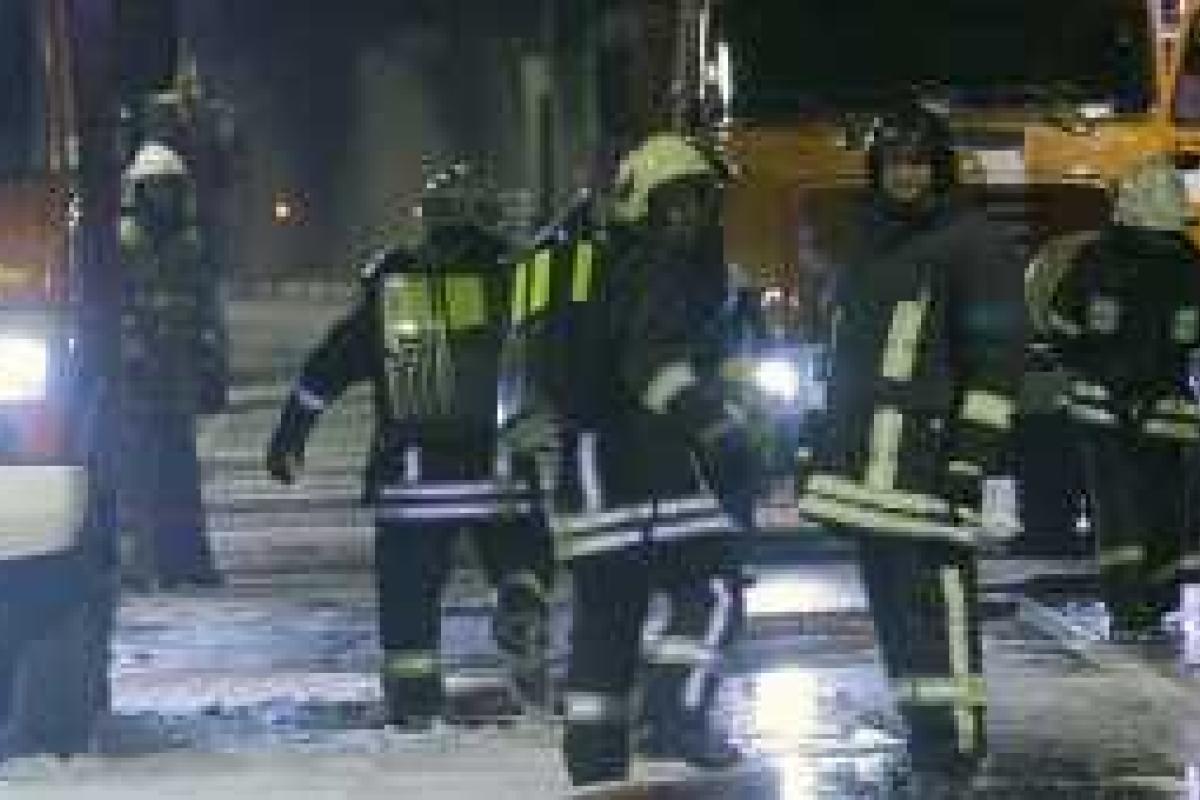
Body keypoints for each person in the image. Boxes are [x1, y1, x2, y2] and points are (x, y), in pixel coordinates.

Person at [500, 133, 760, 786]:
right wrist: (716, 428)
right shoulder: (654, 268)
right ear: (648, 202)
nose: (690, 217)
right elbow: (650, 364)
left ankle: (594, 766)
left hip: (587, 489)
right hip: (653, 475)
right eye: (681, 202)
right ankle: (678, 713)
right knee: (715, 594)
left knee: (604, 628)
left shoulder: (588, 266)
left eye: (698, 202)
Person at [266, 169, 554, 729]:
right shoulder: (519, 282)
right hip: (499, 473)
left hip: (414, 483)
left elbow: (329, 366)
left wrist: (290, 437)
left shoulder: (394, 285)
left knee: (408, 594)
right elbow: (559, 356)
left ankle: (415, 698)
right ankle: (520, 596)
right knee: (523, 550)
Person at [795, 103, 1025, 785]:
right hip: (868, 476)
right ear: (877, 169)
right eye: (895, 162)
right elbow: (844, 360)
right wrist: (820, 447)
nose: (906, 175)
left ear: (941, 167)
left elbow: (997, 362)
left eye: (919, 162)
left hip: (927, 468)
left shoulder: (974, 243)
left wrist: (968, 460)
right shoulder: (868, 241)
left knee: (939, 612)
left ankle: (954, 744)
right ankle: (928, 737)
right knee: (895, 616)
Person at [1038, 155, 1200, 641]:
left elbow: (1061, 326)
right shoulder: (1185, 263)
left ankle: (1138, 602)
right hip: (1140, 407)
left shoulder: (1102, 259)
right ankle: (1142, 601)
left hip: (1118, 406)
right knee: (1149, 507)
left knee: (1128, 509)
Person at [117, 141, 223, 589]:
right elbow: (111, 305)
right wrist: (128, 348)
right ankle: (145, 567)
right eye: (154, 189)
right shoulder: (123, 242)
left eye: (169, 188)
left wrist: (212, 359)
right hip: (137, 382)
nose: (162, 197)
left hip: (176, 378)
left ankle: (189, 563)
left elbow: (207, 308)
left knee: (181, 474)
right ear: (138, 192)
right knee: (140, 476)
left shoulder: (190, 244)